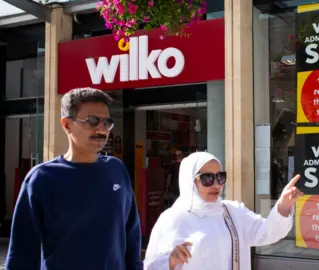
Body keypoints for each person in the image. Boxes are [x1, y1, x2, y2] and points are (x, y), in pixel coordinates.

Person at [6, 87, 143, 270]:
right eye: (92, 121)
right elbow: (22, 253)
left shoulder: (116, 169)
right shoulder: (42, 179)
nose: (101, 129)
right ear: (66, 124)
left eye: (107, 122)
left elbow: (131, 234)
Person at [144, 151, 303, 270]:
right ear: (190, 182)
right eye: (207, 178)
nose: (216, 185)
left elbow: (267, 232)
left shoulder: (234, 212)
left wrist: (283, 205)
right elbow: (151, 266)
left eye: (220, 177)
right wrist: (170, 261)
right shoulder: (172, 219)